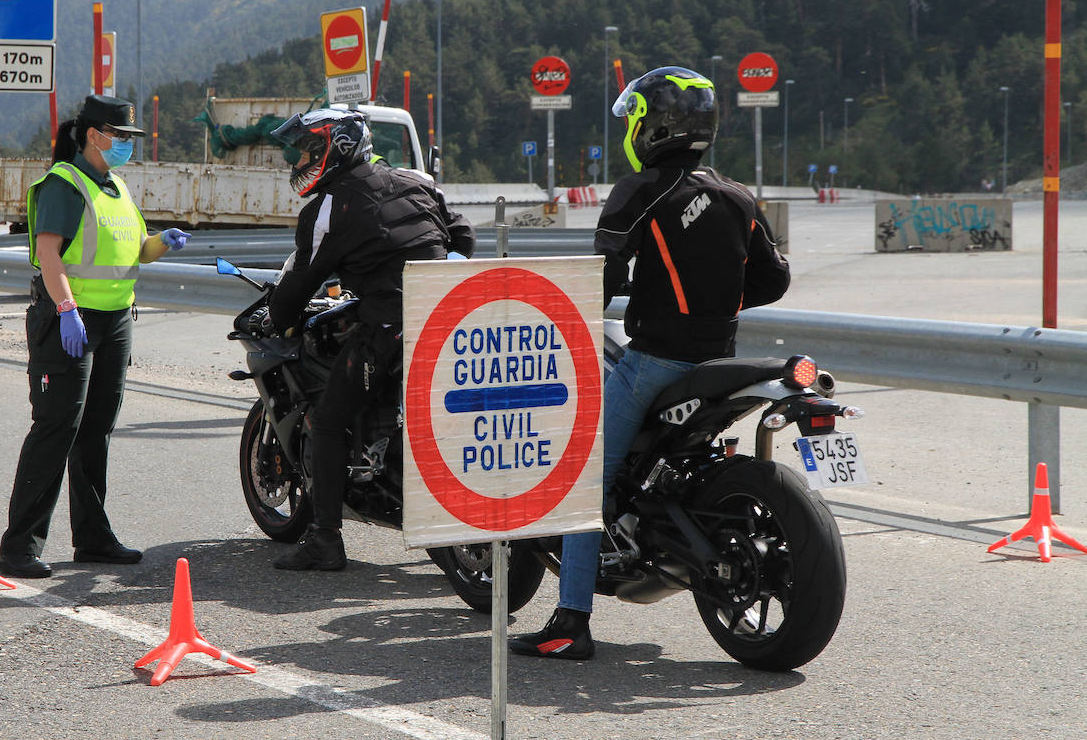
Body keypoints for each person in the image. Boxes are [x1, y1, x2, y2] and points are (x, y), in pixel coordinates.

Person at [510, 66, 790, 658]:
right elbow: (774, 278)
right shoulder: (737, 194)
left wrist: (631, 294)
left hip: (654, 365)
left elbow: (602, 277)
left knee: (584, 480)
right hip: (721, 360)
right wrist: (714, 296)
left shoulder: (640, 190)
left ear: (650, 125)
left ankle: (570, 622)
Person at [265, 108, 475, 571]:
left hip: (391, 326)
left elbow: (302, 279)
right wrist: (437, 276)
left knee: (328, 418)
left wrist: (280, 317)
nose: (297, 162)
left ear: (334, 149)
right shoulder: (417, 180)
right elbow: (462, 233)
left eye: (306, 151)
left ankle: (325, 540)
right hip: (449, 319)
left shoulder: (327, 209)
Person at [0, 94, 192, 579]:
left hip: (115, 321)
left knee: (95, 432)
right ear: (92, 135)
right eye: (119, 136)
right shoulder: (64, 184)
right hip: (71, 318)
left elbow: (133, 252)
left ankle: (94, 538)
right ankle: (18, 547)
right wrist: (65, 310)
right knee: (56, 429)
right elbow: (49, 254)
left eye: (129, 138)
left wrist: (160, 243)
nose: (126, 144)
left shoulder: (116, 189)